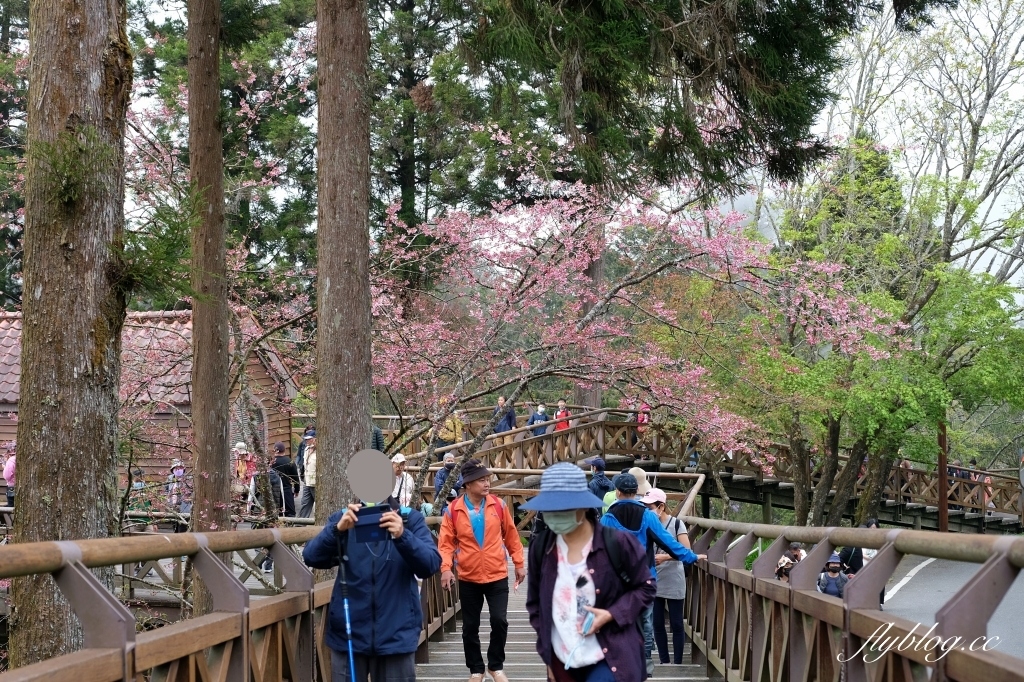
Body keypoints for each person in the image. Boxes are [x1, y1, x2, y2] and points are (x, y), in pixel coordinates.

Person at [523, 463, 656, 682]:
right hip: (563, 659)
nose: (554, 516)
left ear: (582, 507)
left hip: (610, 656)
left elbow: (646, 586)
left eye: (561, 510)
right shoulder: (541, 548)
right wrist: (548, 656)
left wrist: (612, 614)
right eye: (549, 510)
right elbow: (536, 605)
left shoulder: (618, 543)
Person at [302, 492, 441, 682]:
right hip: (349, 635)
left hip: (396, 635)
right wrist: (336, 530)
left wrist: (402, 535)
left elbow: (431, 565)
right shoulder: (343, 517)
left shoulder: (409, 519)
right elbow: (311, 557)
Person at [601, 472, 703, 676]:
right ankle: (644, 662)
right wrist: (691, 557)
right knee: (645, 622)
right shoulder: (647, 516)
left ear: (618, 492)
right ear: (636, 492)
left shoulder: (607, 519)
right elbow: (669, 543)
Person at [438, 459, 525, 682]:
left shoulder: (499, 505)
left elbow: (512, 535)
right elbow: (446, 543)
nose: (487, 483)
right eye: (481, 480)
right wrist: (446, 568)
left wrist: (518, 562)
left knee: (500, 620)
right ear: (467, 484)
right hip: (468, 575)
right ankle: (476, 669)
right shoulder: (453, 510)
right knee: (470, 626)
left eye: (487, 479)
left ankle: (495, 666)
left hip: (497, 573)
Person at [642, 488, 690, 666]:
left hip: (673, 579)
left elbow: (686, 550)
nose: (646, 510)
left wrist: (665, 556)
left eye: (649, 506)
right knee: (657, 624)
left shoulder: (676, 524)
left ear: (661, 507)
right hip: (654, 579)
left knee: (677, 623)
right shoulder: (646, 524)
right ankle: (664, 662)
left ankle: (677, 663)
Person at [271, 442, 299, 517]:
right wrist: (297, 489)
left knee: (275, 512)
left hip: (273, 490)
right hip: (286, 490)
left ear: (274, 450)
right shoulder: (290, 461)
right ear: (284, 450)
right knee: (290, 513)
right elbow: (295, 477)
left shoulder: (271, 462)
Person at [166, 459, 192, 533]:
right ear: (173, 469)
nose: (178, 470)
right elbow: (166, 489)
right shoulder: (170, 478)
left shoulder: (188, 478)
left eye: (180, 468)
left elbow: (192, 492)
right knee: (175, 527)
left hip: (184, 507)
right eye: (176, 468)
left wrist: (189, 499)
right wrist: (168, 500)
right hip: (173, 507)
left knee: (182, 528)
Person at [298, 431, 317, 518]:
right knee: (305, 503)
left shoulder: (320, 451)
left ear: (314, 439)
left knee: (318, 503)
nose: (306, 441)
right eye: (306, 439)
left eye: (309, 439)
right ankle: (300, 524)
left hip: (316, 483)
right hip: (307, 481)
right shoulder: (306, 449)